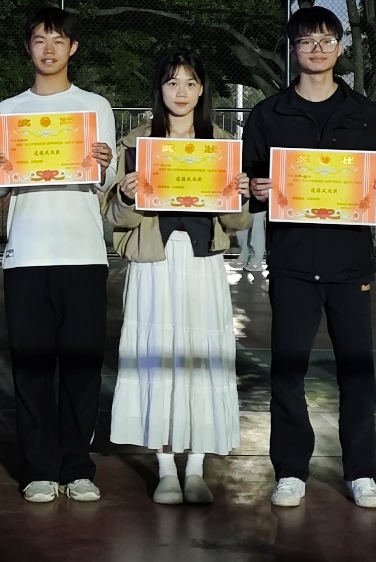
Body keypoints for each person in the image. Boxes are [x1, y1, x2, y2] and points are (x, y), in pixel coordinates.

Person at [244, 5, 376, 511]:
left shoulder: (367, 115)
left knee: (357, 373)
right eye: (307, 41)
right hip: (291, 263)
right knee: (288, 372)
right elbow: (247, 184)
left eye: (327, 40)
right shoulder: (268, 115)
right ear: (294, 49)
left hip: (350, 265)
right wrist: (255, 189)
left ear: (340, 47)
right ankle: (290, 470)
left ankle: (362, 472)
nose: (317, 49)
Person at [0, 6, 117, 503]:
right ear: (29, 48)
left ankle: (78, 467)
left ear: (73, 48)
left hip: (83, 254)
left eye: (59, 40)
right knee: (32, 367)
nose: (49, 48)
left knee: (82, 366)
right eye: (40, 40)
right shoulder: (7, 110)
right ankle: (38, 468)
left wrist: (104, 162)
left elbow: (104, 178)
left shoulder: (95, 107)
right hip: (26, 256)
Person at [104, 49, 250, 505]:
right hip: (154, 263)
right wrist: (127, 195)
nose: (181, 92)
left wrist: (241, 194)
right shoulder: (136, 143)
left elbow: (238, 223)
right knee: (158, 355)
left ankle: (196, 468)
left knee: (201, 357)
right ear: (160, 89)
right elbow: (117, 220)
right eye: (172, 83)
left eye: (189, 82)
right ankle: (166, 467)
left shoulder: (223, 145)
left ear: (202, 89)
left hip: (204, 264)